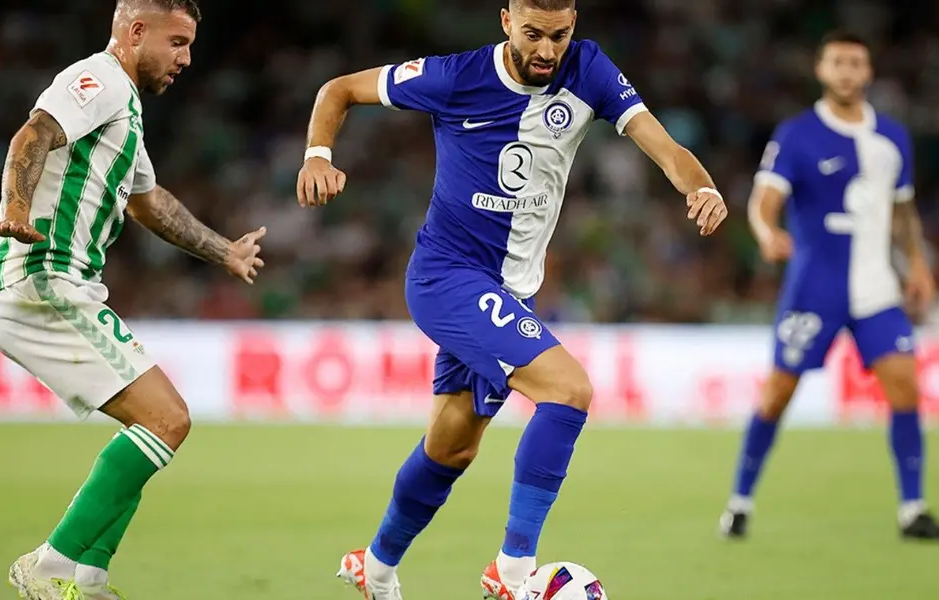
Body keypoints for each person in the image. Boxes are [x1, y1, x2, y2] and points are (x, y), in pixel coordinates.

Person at [297, 0, 728, 597]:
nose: (547, 51)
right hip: (447, 277)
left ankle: (375, 567)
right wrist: (319, 154)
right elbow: (338, 90)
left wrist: (700, 185)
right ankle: (515, 570)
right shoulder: (453, 77)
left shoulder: (590, 70)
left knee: (451, 447)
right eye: (533, 34)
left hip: (509, 291)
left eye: (560, 35)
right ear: (506, 22)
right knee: (569, 391)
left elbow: (663, 146)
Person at [0, 1, 267, 598]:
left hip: (54, 283)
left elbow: (146, 201)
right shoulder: (99, 81)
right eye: (177, 42)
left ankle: (90, 577)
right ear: (135, 32)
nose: (186, 58)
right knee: (168, 418)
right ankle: (50, 567)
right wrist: (18, 208)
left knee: (155, 424)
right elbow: (34, 133)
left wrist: (225, 252)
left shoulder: (124, 111)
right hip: (39, 277)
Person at [719, 30, 939, 542]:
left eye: (856, 62)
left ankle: (912, 510)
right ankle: (739, 502)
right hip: (815, 287)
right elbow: (764, 198)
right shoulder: (796, 133)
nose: (847, 71)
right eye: (838, 62)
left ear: (869, 72)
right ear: (821, 70)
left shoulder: (893, 137)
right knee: (778, 393)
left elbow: (903, 208)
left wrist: (917, 263)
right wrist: (766, 233)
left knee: (906, 386)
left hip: (877, 288)